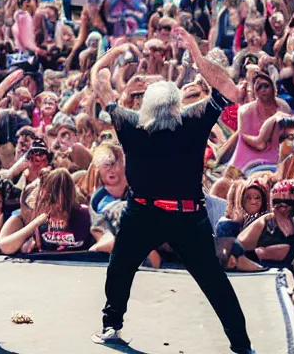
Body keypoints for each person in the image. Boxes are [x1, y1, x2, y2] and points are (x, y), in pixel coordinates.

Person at [89, 27, 254, 353]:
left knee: (121, 266)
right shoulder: (192, 122)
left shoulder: (131, 124)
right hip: (186, 215)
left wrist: (113, 54)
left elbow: (99, 84)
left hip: (144, 211)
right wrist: (194, 51)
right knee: (213, 280)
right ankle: (241, 342)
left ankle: (111, 326)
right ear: (177, 106)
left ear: (146, 108)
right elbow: (227, 87)